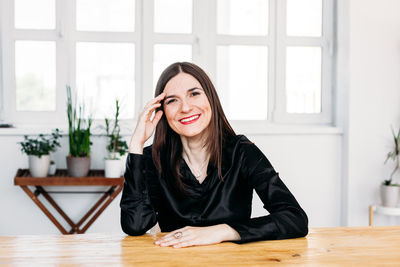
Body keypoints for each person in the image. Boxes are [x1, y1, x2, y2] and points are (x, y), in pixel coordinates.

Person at [120, 62, 308, 248]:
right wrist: (136, 144)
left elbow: (294, 218)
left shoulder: (241, 151)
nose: (185, 108)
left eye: (194, 94)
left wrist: (222, 231)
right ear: (162, 111)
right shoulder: (153, 158)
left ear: (211, 98)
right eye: (172, 100)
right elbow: (135, 225)